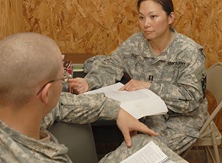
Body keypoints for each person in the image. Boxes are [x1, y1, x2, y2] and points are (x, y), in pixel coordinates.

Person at [0, 32, 188, 162]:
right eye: (63, 78)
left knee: (142, 143)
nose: (66, 81)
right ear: (46, 93)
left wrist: (115, 110)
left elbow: (59, 105)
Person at [70, 0, 208, 155]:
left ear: (170, 18)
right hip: (148, 114)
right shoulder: (137, 43)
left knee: (145, 153)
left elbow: (190, 98)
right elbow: (112, 65)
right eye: (141, 17)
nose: (146, 24)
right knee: (131, 149)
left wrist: (149, 86)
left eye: (153, 16)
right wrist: (90, 82)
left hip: (181, 119)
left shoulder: (189, 52)